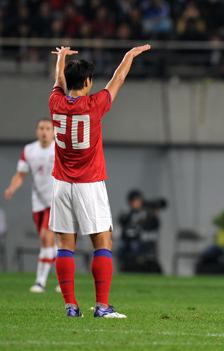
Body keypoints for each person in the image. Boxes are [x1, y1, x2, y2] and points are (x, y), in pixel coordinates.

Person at [49, 44, 150, 318]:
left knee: (64, 246)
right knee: (103, 243)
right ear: (88, 82)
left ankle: (71, 306)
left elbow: (58, 81)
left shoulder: (55, 102)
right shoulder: (94, 106)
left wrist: (60, 59)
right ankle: (102, 307)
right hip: (88, 183)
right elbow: (117, 80)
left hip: (60, 184)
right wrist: (128, 57)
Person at [5, 119, 60, 293]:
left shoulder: (59, 148)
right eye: (41, 128)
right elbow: (20, 174)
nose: (44, 131)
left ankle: (40, 282)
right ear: (37, 131)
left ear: (53, 131)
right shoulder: (29, 150)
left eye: (48, 128)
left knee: (45, 237)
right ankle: (63, 278)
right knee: (49, 243)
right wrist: (12, 187)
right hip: (38, 202)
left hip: (56, 200)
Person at [118, 190, 163, 273]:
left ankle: (138, 268)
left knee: (134, 246)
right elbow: (121, 221)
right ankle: (123, 267)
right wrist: (132, 211)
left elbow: (154, 225)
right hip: (127, 239)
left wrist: (153, 215)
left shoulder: (144, 212)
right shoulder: (127, 211)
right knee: (121, 246)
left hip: (140, 240)